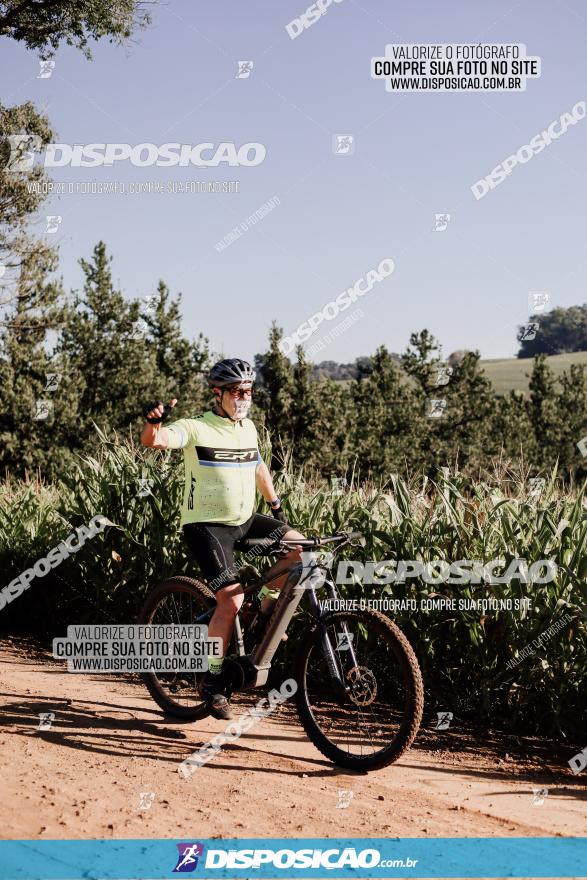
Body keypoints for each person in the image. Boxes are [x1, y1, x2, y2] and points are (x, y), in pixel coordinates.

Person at [140, 358, 305, 721]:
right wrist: (153, 424)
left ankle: (264, 607)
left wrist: (277, 508)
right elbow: (157, 440)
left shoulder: (248, 428)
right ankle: (213, 681)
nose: (244, 398)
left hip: (244, 520)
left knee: (300, 551)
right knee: (230, 600)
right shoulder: (197, 427)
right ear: (218, 393)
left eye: (248, 391)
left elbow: (259, 467)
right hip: (207, 526)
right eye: (237, 392)